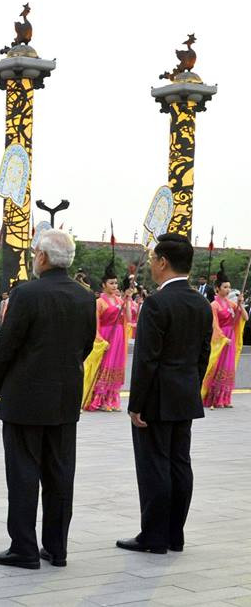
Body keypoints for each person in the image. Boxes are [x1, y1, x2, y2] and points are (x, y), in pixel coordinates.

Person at [0, 230, 96, 570]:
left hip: (25, 398)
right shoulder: (84, 297)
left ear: (43, 258)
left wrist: (2, 387)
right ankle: (56, 547)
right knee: (60, 474)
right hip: (64, 397)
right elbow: (87, 345)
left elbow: (5, 347)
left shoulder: (26, 294)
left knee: (23, 473)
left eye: (35, 252)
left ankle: (23, 546)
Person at [116, 233, 213, 555]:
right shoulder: (201, 302)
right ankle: (174, 534)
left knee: (154, 465)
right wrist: (189, 386)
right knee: (179, 463)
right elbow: (203, 354)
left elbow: (147, 358)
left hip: (156, 397)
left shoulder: (157, 302)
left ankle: (154, 536)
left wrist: (136, 403)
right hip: (184, 395)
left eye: (155, 260)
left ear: (162, 262)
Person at [82, 260, 132, 412]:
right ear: (104, 285)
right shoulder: (99, 302)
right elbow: (95, 325)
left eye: (116, 283)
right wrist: (101, 341)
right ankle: (100, 399)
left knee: (116, 367)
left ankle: (111, 399)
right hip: (105, 337)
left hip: (118, 337)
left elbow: (129, 319)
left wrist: (128, 301)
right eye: (111, 283)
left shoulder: (120, 300)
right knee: (104, 367)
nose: (115, 286)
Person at [201, 261, 247, 409]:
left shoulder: (231, 304)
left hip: (230, 338)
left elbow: (245, 318)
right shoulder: (213, 305)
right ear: (217, 288)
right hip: (221, 340)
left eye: (229, 287)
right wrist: (222, 338)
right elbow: (214, 324)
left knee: (228, 367)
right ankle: (212, 398)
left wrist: (241, 304)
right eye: (225, 287)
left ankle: (225, 398)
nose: (227, 290)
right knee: (216, 366)